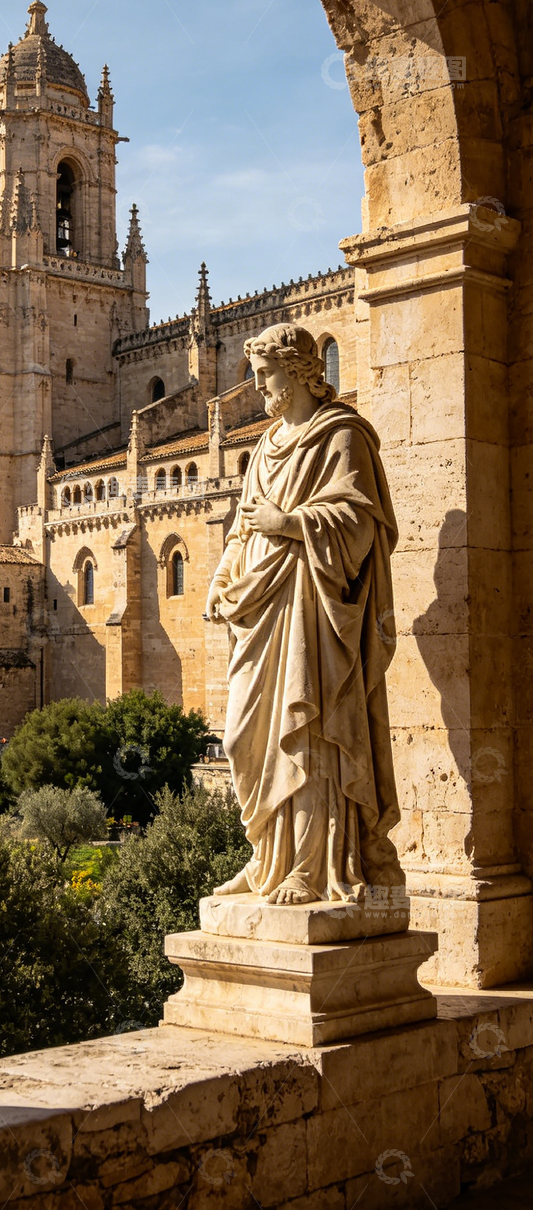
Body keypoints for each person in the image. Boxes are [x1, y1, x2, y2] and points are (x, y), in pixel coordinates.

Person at [206, 324, 404, 907]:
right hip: (261, 610)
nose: (256, 385)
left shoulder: (342, 435)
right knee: (249, 732)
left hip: (313, 606)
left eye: (264, 374)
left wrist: (290, 525)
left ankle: (312, 865)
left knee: (312, 725)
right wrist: (221, 580)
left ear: (296, 372)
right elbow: (243, 527)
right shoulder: (265, 445)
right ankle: (266, 854)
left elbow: (361, 524)